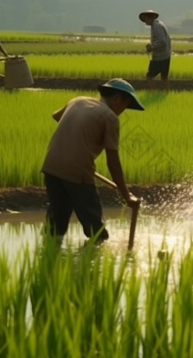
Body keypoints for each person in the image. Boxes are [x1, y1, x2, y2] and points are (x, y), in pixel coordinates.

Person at [40, 79, 143, 243]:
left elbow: (56, 116)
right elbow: (113, 162)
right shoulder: (110, 117)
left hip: (51, 167)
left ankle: (48, 258)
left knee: (56, 222)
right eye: (125, 105)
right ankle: (96, 263)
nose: (122, 111)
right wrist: (127, 195)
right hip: (78, 173)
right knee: (96, 229)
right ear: (117, 98)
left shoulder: (77, 100)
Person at [139, 10, 172, 90]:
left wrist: (151, 47)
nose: (144, 21)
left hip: (159, 57)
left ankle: (155, 92)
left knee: (149, 76)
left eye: (145, 19)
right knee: (164, 77)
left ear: (149, 17)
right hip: (166, 55)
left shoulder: (156, 26)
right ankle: (169, 93)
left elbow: (162, 41)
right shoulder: (158, 24)